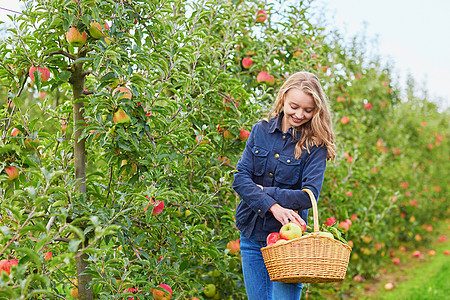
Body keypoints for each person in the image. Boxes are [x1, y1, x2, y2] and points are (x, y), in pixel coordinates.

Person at [232, 71, 336, 300]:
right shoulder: (261, 131)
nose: (299, 114)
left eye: (308, 110)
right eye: (294, 106)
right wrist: (273, 206)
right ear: (283, 98)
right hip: (253, 234)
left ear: (316, 110)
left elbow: (309, 197)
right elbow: (240, 179)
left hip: (291, 243)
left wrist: (263, 192)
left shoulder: (315, 145)